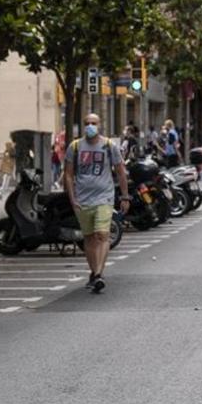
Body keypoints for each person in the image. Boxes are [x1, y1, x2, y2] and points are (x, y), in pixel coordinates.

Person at [64, 113, 130, 295]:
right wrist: (72, 197)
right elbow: (68, 174)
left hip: (104, 198)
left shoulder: (109, 146)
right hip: (82, 200)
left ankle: (99, 273)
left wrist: (125, 196)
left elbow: (120, 172)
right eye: (87, 123)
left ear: (100, 125)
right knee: (89, 237)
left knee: (102, 234)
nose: (90, 126)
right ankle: (93, 272)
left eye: (93, 123)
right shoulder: (75, 147)